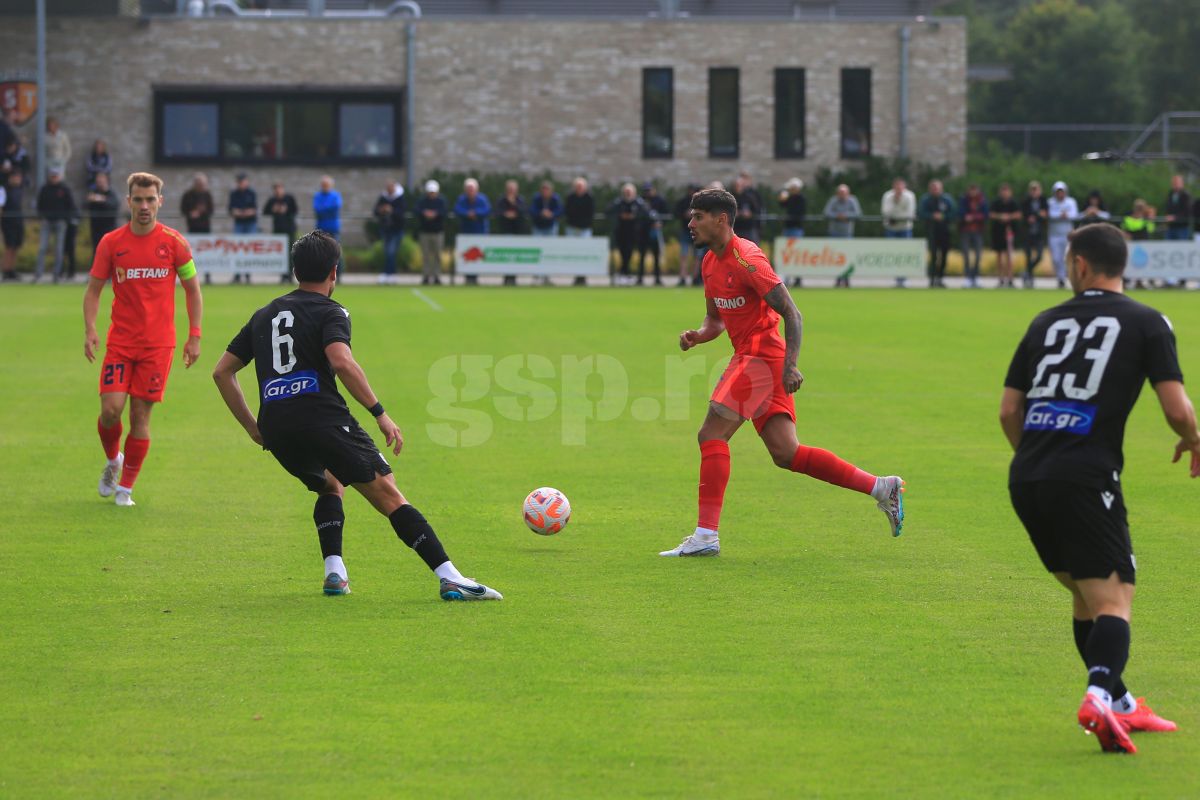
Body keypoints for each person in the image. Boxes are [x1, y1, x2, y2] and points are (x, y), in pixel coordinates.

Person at [211, 229, 502, 601]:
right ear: (335, 272)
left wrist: (255, 428)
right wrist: (380, 413)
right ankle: (451, 577)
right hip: (322, 418)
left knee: (332, 483)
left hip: (277, 427)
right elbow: (341, 361)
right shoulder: (332, 310)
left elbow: (222, 372)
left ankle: (335, 571)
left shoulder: (263, 314)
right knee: (389, 493)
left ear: (295, 270)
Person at [999, 222, 1194, 755]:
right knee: (1114, 599)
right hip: (1085, 475)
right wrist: (1195, 440)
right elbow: (1176, 409)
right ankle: (1098, 697)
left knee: (1087, 599)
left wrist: (1039, 461)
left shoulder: (1044, 321)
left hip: (1029, 475)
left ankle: (1122, 703)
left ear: (1080, 265)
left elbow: (1009, 410)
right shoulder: (1147, 321)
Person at [662, 188, 904, 558]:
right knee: (786, 453)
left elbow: (793, 312)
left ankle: (706, 536)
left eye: (697, 217)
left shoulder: (748, 259)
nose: (690, 223)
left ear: (721, 219)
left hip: (761, 357)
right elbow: (716, 319)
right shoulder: (710, 262)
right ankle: (880, 487)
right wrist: (699, 336)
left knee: (711, 433)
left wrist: (791, 364)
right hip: (755, 356)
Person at [84, 172, 204, 507]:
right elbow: (93, 290)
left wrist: (194, 335)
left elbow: (193, 290)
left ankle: (125, 488)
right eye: (138, 199)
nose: (144, 206)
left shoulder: (174, 243)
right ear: (129, 202)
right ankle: (113, 460)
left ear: (160, 202)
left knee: (139, 415)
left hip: (158, 345)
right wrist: (90, 328)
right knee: (111, 410)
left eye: (150, 200)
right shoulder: (111, 243)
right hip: (120, 343)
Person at [35, 167, 76, 283]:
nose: (54, 178)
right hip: (47, 222)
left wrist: (65, 218)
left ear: (60, 176)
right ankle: (38, 274)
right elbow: (39, 204)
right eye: (52, 176)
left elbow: (71, 206)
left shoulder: (64, 189)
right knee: (42, 248)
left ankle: (56, 275)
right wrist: (42, 216)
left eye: (56, 176)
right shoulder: (44, 189)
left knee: (59, 249)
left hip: (60, 222)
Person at [918, 179, 955, 288]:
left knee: (944, 256)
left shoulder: (947, 199)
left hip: (944, 231)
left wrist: (943, 216)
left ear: (941, 189)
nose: (935, 190)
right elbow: (921, 213)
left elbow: (953, 213)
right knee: (933, 256)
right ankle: (932, 279)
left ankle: (940, 278)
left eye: (937, 188)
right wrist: (932, 216)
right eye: (933, 188)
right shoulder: (926, 200)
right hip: (931, 231)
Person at [454, 178, 490, 285]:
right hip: (466, 232)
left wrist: (476, 213)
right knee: (467, 255)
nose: (470, 191)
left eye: (472, 189)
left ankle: (475, 276)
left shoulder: (482, 199)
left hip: (479, 232)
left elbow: (486, 210)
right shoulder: (462, 199)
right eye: (468, 189)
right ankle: (468, 277)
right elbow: (457, 209)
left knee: (477, 255)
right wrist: (467, 214)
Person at [608, 182, 644, 285]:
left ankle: (625, 273)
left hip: (633, 233)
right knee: (623, 253)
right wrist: (620, 215)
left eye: (630, 192)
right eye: (626, 192)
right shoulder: (619, 202)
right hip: (620, 232)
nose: (628, 194)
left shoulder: (638, 203)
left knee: (629, 253)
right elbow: (609, 210)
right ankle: (624, 273)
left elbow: (645, 213)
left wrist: (634, 216)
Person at [262, 182, 298, 283]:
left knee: (291, 252)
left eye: (279, 188)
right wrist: (273, 210)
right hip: (278, 230)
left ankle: (290, 275)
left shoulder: (289, 198)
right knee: (281, 254)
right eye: (276, 189)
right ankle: (283, 275)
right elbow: (265, 211)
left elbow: (295, 210)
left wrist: (286, 210)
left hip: (289, 229)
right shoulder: (272, 200)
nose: (278, 191)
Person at [374, 179, 406, 284]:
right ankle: (387, 273)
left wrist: (391, 210)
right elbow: (375, 211)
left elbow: (402, 213)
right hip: (385, 229)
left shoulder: (400, 198)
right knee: (387, 252)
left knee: (391, 252)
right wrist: (382, 210)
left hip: (396, 230)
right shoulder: (383, 197)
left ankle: (391, 274)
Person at [1047, 180, 1078, 289]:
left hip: (1067, 234)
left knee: (1066, 257)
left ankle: (1064, 277)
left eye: (1062, 191)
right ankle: (1060, 278)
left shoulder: (1071, 202)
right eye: (1058, 192)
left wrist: (1066, 215)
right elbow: (1049, 214)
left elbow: (1074, 214)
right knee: (1056, 258)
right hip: (1054, 234)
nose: (1060, 194)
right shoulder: (1050, 202)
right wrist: (1061, 215)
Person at [989, 183, 1020, 288]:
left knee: (1009, 256)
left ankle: (1010, 278)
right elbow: (991, 214)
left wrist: (1009, 217)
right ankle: (1001, 279)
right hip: (998, 232)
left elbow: (1018, 214)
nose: (1005, 193)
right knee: (999, 257)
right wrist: (1000, 216)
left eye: (1007, 191)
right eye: (1003, 191)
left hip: (1010, 233)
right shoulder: (996, 203)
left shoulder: (1013, 203)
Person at [637, 181, 668, 286]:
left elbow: (666, 214)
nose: (647, 192)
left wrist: (661, 223)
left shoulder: (660, 200)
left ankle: (657, 278)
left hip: (655, 232)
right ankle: (640, 278)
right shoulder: (640, 201)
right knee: (642, 256)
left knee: (656, 256)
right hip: (644, 232)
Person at [416, 179, 446, 285]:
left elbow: (443, 212)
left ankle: (437, 276)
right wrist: (425, 213)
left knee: (437, 255)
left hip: (437, 232)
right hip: (425, 232)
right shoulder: (422, 201)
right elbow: (417, 211)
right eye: (430, 192)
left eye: (433, 192)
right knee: (426, 256)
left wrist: (435, 214)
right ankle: (426, 276)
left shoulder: (441, 201)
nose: (431, 194)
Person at [958, 184, 988, 288]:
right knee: (966, 254)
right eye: (971, 190)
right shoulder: (964, 200)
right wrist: (965, 217)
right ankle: (968, 277)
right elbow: (960, 213)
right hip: (965, 230)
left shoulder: (982, 200)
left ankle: (976, 276)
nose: (973, 192)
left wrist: (973, 217)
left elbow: (985, 214)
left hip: (978, 231)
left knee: (978, 255)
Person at [85, 171, 119, 260]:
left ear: (106, 180)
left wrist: (102, 199)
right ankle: (96, 271)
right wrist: (90, 200)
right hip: (96, 227)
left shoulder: (111, 193)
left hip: (109, 227)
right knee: (97, 250)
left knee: (109, 250)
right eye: (98, 180)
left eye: (102, 179)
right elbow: (86, 206)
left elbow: (114, 205)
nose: (100, 181)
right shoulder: (93, 193)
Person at [313, 175, 343, 275]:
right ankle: (323, 274)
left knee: (336, 252)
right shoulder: (318, 196)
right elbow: (317, 209)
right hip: (321, 227)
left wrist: (324, 208)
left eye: (327, 185)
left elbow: (335, 208)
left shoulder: (335, 195)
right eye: (323, 185)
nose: (325, 187)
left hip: (333, 227)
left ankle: (338, 274)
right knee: (321, 253)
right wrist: (327, 208)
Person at [1021, 181, 1048, 288]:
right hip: (1027, 232)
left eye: (1036, 189)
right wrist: (1037, 215)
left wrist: (1035, 215)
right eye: (1032, 190)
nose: (1034, 192)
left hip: (1039, 233)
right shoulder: (1025, 201)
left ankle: (1026, 271)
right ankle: (1029, 278)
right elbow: (1023, 215)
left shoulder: (1043, 201)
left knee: (1039, 256)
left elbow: (1045, 215)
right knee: (1028, 256)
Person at [675, 183, 701, 287]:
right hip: (686, 231)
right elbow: (676, 213)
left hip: (698, 231)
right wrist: (684, 214)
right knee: (684, 254)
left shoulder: (700, 203)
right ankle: (682, 277)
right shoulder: (683, 202)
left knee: (697, 256)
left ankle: (695, 277)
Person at [1, 167, 24, 281]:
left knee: (16, 246)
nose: (17, 179)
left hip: (18, 221)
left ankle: (11, 269)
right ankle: (5, 270)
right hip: (8, 222)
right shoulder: (3, 190)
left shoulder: (19, 190)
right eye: (15, 177)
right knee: (9, 247)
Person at [731, 171, 762, 244]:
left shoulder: (749, 197)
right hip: (735, 228)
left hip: (748, 228)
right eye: (737, 185)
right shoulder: (731, 197)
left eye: (740, 185)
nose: (738, 187)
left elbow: (757, 210)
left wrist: (750, 214)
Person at [1163, 175, 1191, 241]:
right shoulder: (1170, 194)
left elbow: (1187, 212)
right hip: (1171, 227)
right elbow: (1168, 208)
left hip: (1182, 228)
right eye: (1174, 183)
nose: (1175, 184)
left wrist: (1175, 217)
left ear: (1182, 183)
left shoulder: (1186, 195)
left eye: (1177, 182)